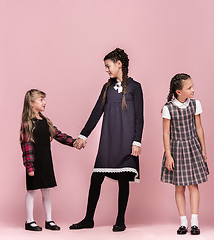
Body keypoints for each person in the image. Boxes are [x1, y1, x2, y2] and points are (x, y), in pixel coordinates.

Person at [70, 48, 144, 232]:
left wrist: (137, 141)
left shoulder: (135, 87)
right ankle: (88, 219)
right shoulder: (107, 88)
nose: (106, 70)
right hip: (108, 141)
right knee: (96, 178)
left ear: (119, 64)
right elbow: (96, 112)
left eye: (108, 66)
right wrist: (83, 135)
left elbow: (139, 118)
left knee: (123, 180)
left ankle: (120, 220)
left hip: (127, 141)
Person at [20, 89, 80, 231]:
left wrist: (74, 142)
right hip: (34, 163)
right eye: (41, 100)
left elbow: (58, 135)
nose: (44, 102)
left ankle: (49, 220)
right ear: (31, 103)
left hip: (46, 162)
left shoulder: (46, 121)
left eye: (44, 99)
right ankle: (29, 221)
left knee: (46, 190)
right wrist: (29, 166)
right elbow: (26, 145)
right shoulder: (27, 124)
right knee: (31, 191)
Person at [161, 73, 209, 235]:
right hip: (176, 150)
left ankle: (194, 222)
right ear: (178, 92)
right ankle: (183, 222)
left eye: (192, 86)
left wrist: (203, 148)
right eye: (189, 88)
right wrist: (168, 154)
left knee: (193, 185)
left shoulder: (195, 104)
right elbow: (166, 133)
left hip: (192, 147)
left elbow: (199, 128)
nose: (193, 90)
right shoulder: (168, 108)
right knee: (179, 187)